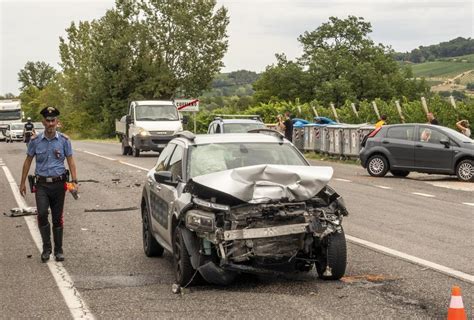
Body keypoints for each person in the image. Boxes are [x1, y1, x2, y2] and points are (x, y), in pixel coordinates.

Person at [19, 106, 78, 263]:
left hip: (59, 185)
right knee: (43, 214)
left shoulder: (64, 140)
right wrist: (22, 182)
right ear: (43, 122)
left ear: (57, 122)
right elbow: (28, 161)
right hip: (42, 185)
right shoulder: (35, 141)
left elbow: (71, 161)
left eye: (53, 120)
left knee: (58, 218)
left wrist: (74, 181)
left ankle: (59, 250)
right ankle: (47, 248)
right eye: (48, 120)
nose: (50, 123)